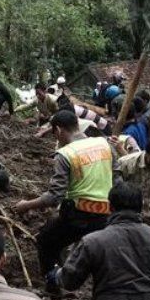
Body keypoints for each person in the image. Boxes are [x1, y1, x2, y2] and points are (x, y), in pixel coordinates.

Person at [14, 111, 118, 284]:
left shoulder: (65, 154)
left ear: (58, 130)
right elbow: (117, 178)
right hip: (106, 214)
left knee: (46, 241)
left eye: (54, 134)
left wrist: (25, 205)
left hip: (79, 214)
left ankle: (54, 284)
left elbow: (54, 197)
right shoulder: (104, 144)